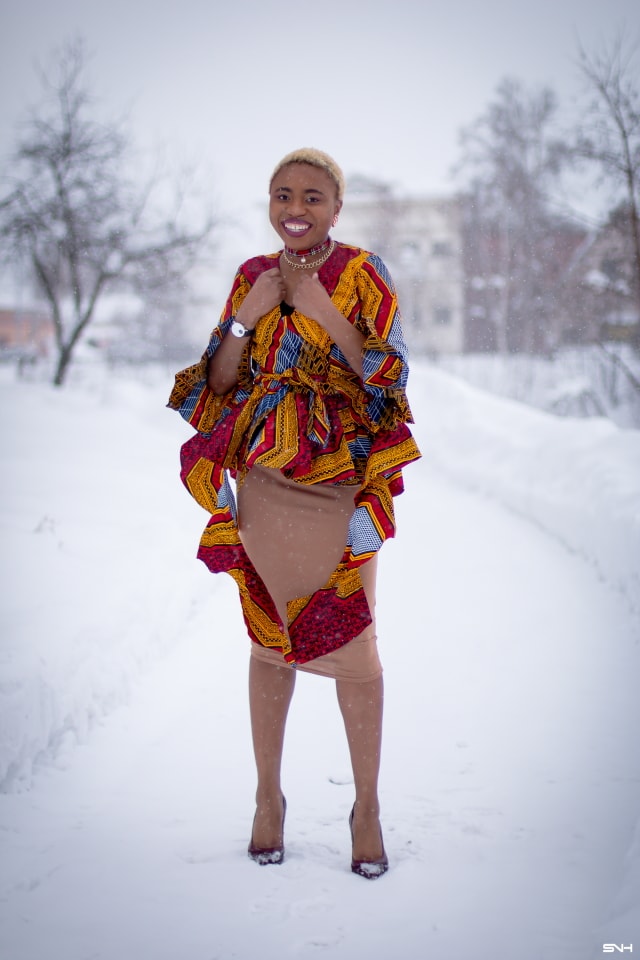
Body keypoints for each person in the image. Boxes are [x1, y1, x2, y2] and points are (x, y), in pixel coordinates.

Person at [167, 148, 421, 879]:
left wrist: (322, 314)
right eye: (282, 194)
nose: (295, 207)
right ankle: (267, 799)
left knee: (356, 646)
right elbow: (217, 383)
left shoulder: (365, 274)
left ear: (336, 208)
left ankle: (366, 806)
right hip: (265, 478)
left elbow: (390, 380)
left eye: (312, 195)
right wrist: (248, 319)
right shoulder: (252, 275)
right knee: (268, 636)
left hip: (341, 476)